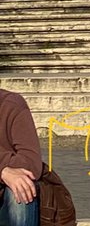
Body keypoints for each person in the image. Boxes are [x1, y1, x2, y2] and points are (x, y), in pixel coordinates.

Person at [0, 86, 43, 226]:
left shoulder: (11, 105)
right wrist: (3, 170)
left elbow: (30, 163)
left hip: (4, 200)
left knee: (21, 186)